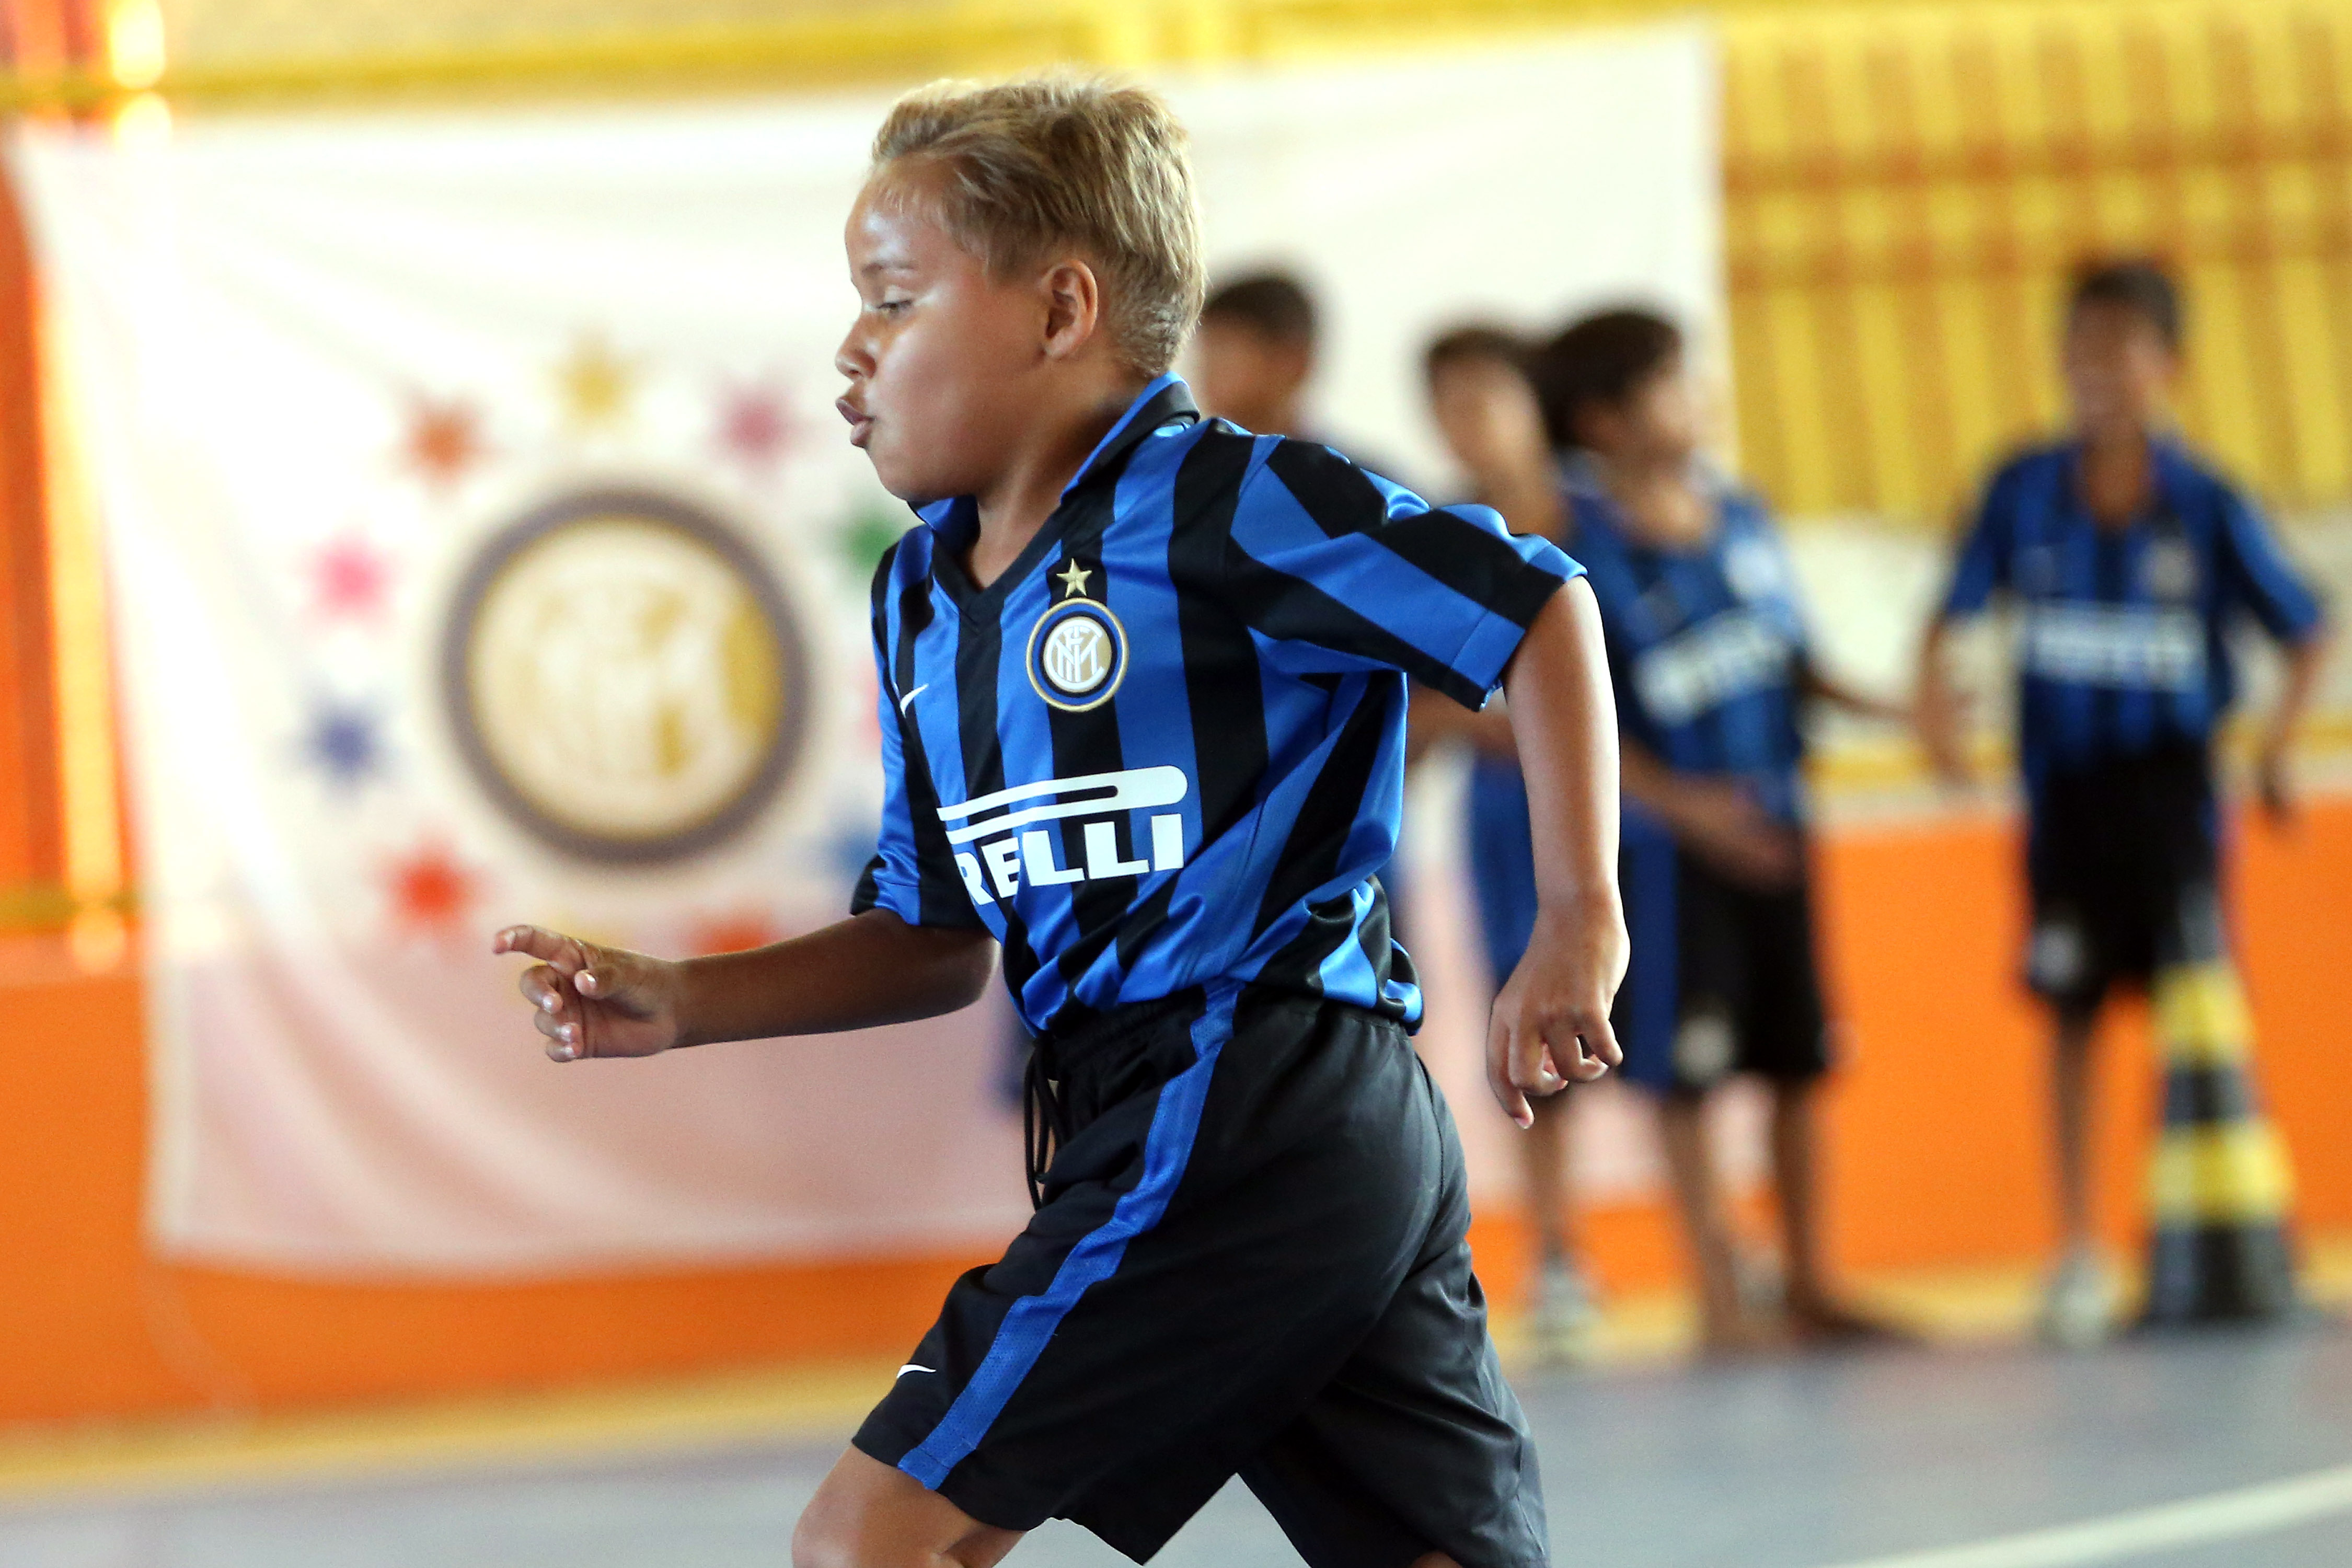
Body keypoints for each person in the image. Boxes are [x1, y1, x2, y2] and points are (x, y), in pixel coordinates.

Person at [497, 77, 1628, 1568]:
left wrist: (1577, 912)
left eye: (893, 300)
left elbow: (1536, 604)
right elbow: (930, 935)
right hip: (1223, 1126)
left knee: (871, 1542)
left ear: (1060, 310)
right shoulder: (919, 598)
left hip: (1246, 1083)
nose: (851, 348)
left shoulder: (1226, 499)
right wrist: (685, 1000)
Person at [1915, 259, 2332, 1347]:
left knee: (2196, 1000)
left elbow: (2304, 626)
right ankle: (2077, 1247)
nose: (2095, 369)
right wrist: (1938, 712)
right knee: (2071, 1007)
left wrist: (2277, 748)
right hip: (2064, 789)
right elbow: (1950, 611)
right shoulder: (2021, 489)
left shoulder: (2205, 500)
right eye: (2080, 346)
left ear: (2169, 365)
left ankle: (2212, 1221)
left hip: (2172, 789)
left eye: (2120, 347)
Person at [1532, 306, 1903, 1356]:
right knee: (1687, 1072)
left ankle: (1812, 1281)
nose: (1698, 400)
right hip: (1669, 858)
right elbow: (1571, 718)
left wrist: (1899, 713)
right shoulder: (1577, 554)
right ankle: (1719, 1296)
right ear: (1603, 419)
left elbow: (1795, 663)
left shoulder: (1741, 519)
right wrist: (1682, 806)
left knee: (1799, 1058)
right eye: (1671, 384)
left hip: (1779, 832)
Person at [1406, 326, 1599, 1362]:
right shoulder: (1430, 539)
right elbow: (1411, 709)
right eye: (1444, 401)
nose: (1465, 420)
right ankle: (1560, 1254)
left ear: (1533, 401)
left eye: (1484, 393)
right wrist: (1485, 721)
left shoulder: (1600, 520)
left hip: (1639, 820)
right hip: (1504, 826)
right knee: (1538, 1037)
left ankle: (1729, 1251)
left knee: (1675, 1042)